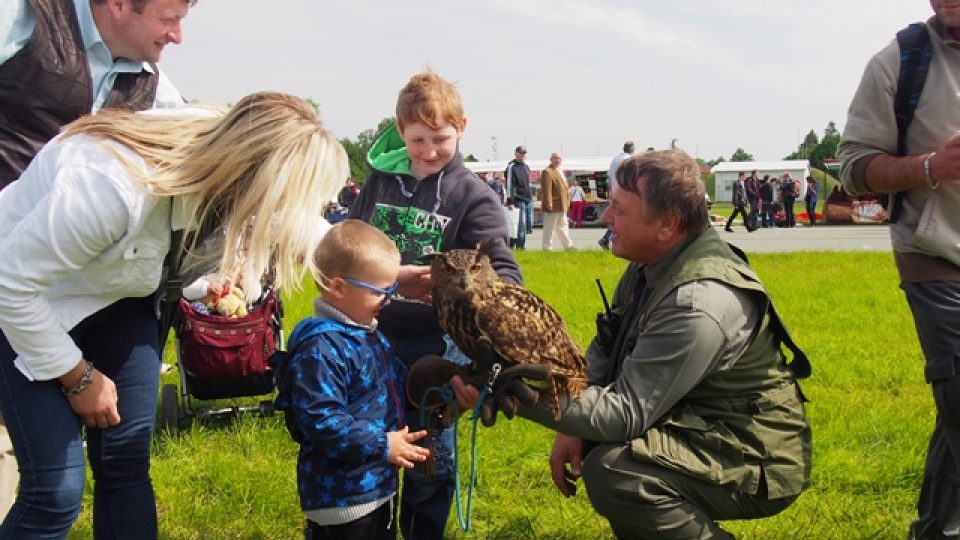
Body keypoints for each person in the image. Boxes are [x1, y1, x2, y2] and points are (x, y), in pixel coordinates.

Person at [0, 92, 348, 538]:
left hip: (121, 301)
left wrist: (384, 272)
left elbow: (305, 230)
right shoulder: (109, 185)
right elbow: (10, 284)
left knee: (124, 464)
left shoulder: (233, 167)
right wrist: (78, 377)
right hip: (26, 307)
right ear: (256, 178)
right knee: (55, 489)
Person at [457, 149, 812, 538]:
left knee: (616, 470)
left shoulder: (697, 301)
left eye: (620, 210)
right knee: (598, 442)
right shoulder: (654, 262)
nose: (606, 218)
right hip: (695, 421)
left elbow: (624, 413)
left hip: (753, 453)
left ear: (667, 225)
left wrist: (513, 390)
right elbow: (605, 350)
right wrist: (570, 425)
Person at [0, 0, 196, 520]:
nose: (177, 36)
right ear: (116, 5)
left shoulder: (158, 91)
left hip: (108, 285)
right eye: (168, 19)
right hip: (19, 275)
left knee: (126, 465)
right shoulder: (22, 22)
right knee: (51, 487)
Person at [347, 69, 522, 540]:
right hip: (368, 332)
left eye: (439, 138)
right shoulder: (377, 184)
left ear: (461, 128)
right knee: (368, 446)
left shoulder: (474, 198)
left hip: (435, 344)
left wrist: (492, 339)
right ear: (400, 131)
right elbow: (350, 244)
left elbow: (502, 270)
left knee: (428, 459)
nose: (427, 151)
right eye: (417, 139)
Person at [838, 4, 960, 536]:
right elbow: (854, 169)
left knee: (954, 405)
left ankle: (937, 530)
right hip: (935, 251)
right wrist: (931, 167)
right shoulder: (900, 60)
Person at [273, 220, 431, 540]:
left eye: (392, 290)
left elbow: (395, 383)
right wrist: (383, 444)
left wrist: (435, 382)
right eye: (381, 291)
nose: (388, 300)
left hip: (373, 485)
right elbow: (321, 420)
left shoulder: (363, 334)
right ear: (339, 288)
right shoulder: (321, 348)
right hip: (343, 498)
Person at [600, 140, 636, 249]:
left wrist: (610, 192)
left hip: (615, 191)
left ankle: (608, 237)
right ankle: (609, 238)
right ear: (633, 149)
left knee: (618, 217)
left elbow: (609, 178)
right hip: (625, 191)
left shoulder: (615, 159)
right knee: (626, 217)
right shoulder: (629, 160)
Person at [540, 152, 574, 250]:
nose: (557, 160)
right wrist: (548, 202)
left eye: (559, 159)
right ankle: (547, 247)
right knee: (549, 228)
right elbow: (547, 189)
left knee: (563, 227)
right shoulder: (547, 171)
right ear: (551, 160)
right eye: (555, 158)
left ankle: (568, 246)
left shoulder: (560, 170)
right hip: (553, 204)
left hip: (562, 204)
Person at [505, 146, 533, 250]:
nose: (522, 155)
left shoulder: (526, 167)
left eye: (524, 153)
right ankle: (520, 247)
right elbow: (509, 184)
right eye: (520, 153)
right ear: (516, 153)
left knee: (528, 224)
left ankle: (513, 244)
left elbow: (529, 183)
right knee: (521, 224)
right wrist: (510, 201)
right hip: (518, 199)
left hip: (528, 199)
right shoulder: (512, 167)